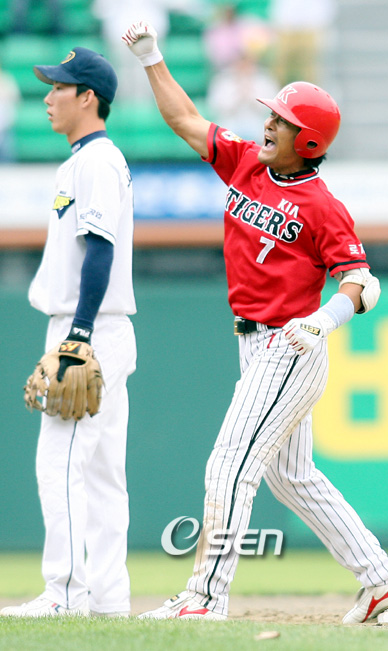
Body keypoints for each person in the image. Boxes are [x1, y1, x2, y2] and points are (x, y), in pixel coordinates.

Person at [122, 21, 388, 625]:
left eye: (281, 120)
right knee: (292, 476)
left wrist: (323, 321)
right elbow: (184, 120)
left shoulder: (323, 205)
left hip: (290, 344)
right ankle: (382, 578)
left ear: (306, 141)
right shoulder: (246, 163)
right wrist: (152, 58)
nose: (268, 123)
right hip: (254, 343)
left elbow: (362, 283)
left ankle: (206, 598)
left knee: (230, 463)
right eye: (272, 115)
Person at [1, 47, 136, 617]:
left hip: (88, 328)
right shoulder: (85, 160)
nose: (48, 96)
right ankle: (107, 599)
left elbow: (100, 249)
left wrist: (77, 335)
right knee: (101, 475)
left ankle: (64, 594)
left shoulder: (96, 162)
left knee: (59, 463)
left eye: (60, 87)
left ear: (88, 97)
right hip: (99, 327)